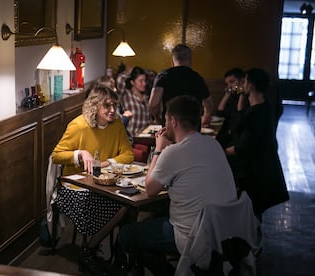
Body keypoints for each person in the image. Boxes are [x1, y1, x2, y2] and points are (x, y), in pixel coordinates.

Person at [116, 95, 238, 275]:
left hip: (192, 236)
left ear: (173, 121)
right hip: (224, 231)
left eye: (165, 119)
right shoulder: (214, 144)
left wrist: (158, 149)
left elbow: (150, 189)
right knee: (154, 220)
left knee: (127, 234)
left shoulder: (173, 152)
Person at [52, 86, 134, 275]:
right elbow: (56, 155)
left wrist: (103, 164)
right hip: (75, 187)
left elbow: (128, 154)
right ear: (94, 106)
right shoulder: (79, 126)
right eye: (107, 106)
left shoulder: (117, 124)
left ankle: (118, 253)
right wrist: (79, 153)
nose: (112, 110)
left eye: (114, 105)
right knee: (123, 207)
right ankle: (90, 249)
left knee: (129, 206)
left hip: (105, 185)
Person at [224, 68, 289, 220]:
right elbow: (240, 125)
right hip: (258, 168)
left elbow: (242, 148)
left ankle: (247, 238)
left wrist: (221, 152)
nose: (243, 84)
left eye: (245, 81)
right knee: (251, 215)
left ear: (251, 85)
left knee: (250, 214)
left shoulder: (258, 114)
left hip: (255, 173)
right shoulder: (262, 106)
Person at [148, 44, 213, 127]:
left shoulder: (163, 76)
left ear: (172, 60)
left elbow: (153, 104)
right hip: (192, 127)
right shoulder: (197, 78)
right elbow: (208, 104)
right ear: (190, 60)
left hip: (171, 126)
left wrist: (157, 118)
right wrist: (206, 117)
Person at [215, 68, 247, 149]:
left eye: (232, 82)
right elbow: (220, 113)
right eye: (227, 83)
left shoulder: (246, 97)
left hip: (237, 136)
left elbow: (240, 117)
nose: (229, 86)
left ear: (242, 81)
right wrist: (227, 94)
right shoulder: (233, 96)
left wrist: (241, 91)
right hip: (228, 131)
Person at [120, 66, 151, 136]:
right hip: (132, 138)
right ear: (132, 82)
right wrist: (127, 73)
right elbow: (120, 80)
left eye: (145, 80)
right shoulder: (127, 95)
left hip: (145, 137)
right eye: (141, 81)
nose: (144, 84)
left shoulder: (146, 97)